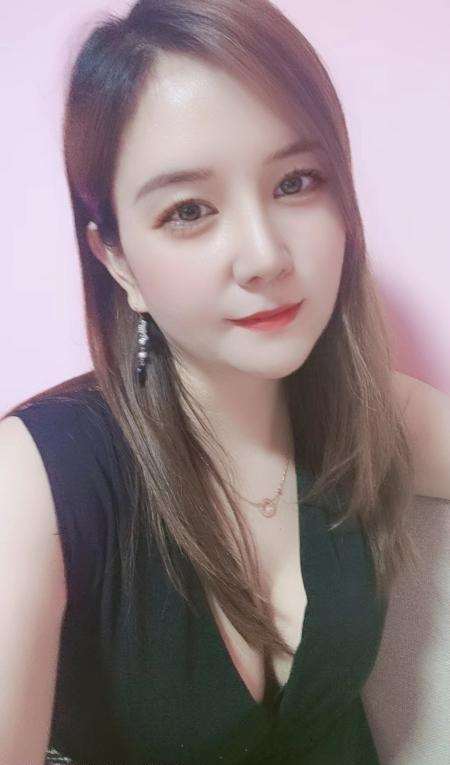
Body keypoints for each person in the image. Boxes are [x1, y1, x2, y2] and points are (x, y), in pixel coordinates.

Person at [4, 0, 448, 763]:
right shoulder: (38, 480)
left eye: (296, 182)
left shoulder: (369, 414)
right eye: (189, 210)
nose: (264, 255)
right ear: (117, 260)